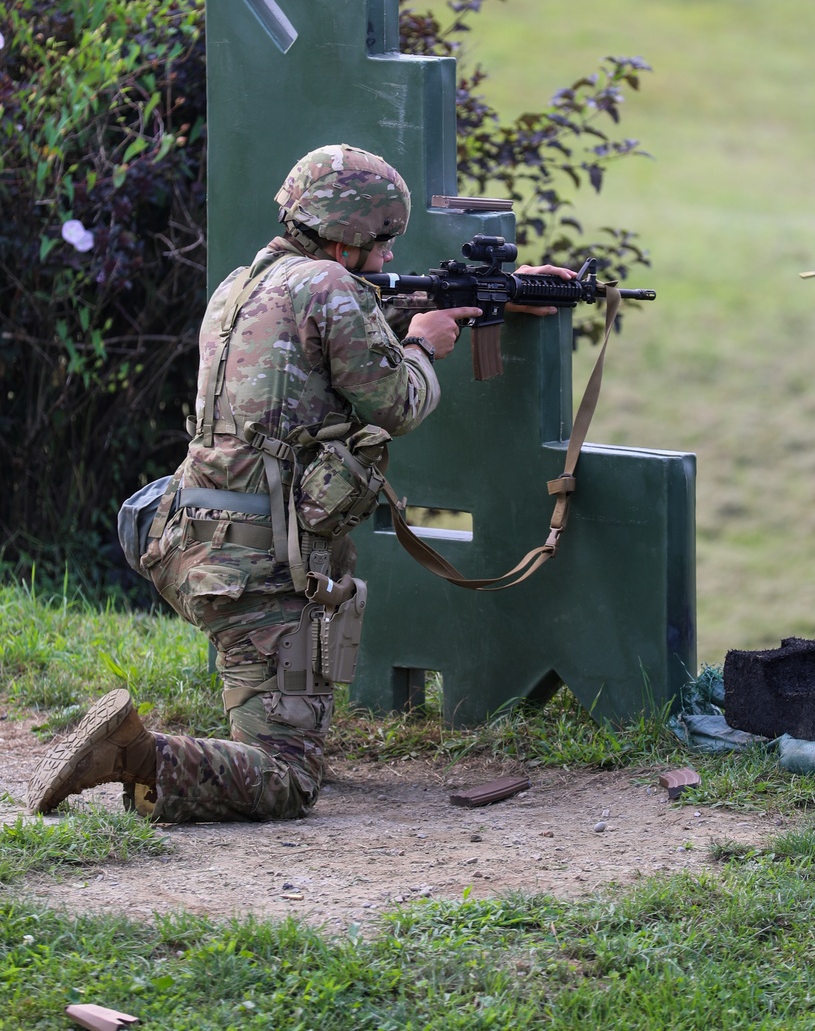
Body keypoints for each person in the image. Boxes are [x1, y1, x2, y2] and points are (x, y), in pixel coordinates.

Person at [28, 144, 570, 824]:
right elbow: (395, 401)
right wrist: (426, 344)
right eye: (380, 241)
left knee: (283, 736)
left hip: (197, 538)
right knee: (287, 780)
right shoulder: (332, 289)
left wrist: (501, 290)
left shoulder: (246, 285)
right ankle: (132, 754)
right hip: (260, 568)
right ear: (346, 237)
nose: (386, 259)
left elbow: (334, 340)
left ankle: (177, 758)